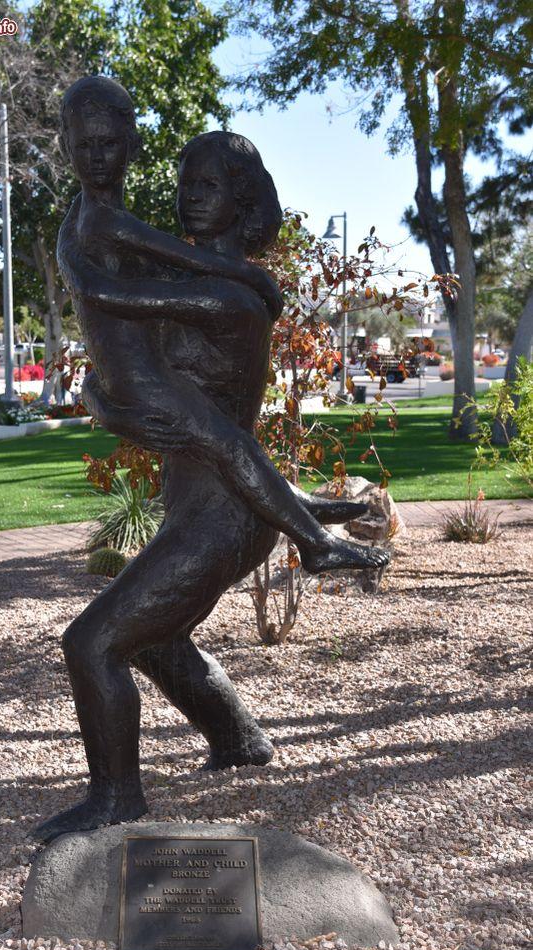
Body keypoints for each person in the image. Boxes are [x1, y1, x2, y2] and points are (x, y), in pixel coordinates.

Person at [33, 117, 384, 843]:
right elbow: (142, 387)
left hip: (219, 516)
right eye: (188, 183)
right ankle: (238, 739)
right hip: (219, 505)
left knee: (92, 645)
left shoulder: (226, 301)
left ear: (243, 200)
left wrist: (89, 270)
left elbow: (109, 301)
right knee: (156, 638)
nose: (193, 197)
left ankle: (116, 798)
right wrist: (102, 399)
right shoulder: (198, 281)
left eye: (212, 186)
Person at [56, 76, 389, 575]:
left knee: (228, 441)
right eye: (85, 145)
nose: (98, 156)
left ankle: (293, 504)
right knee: (230, 442)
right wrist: (250, 273)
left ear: (131, 146)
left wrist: (96, 391)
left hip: (135, 382)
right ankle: (315, 541)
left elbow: (151, 272)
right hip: (141, 384)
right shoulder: (101, 222)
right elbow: (114, 288)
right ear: (65, 146)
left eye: (107, 144)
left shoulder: (85, 219)